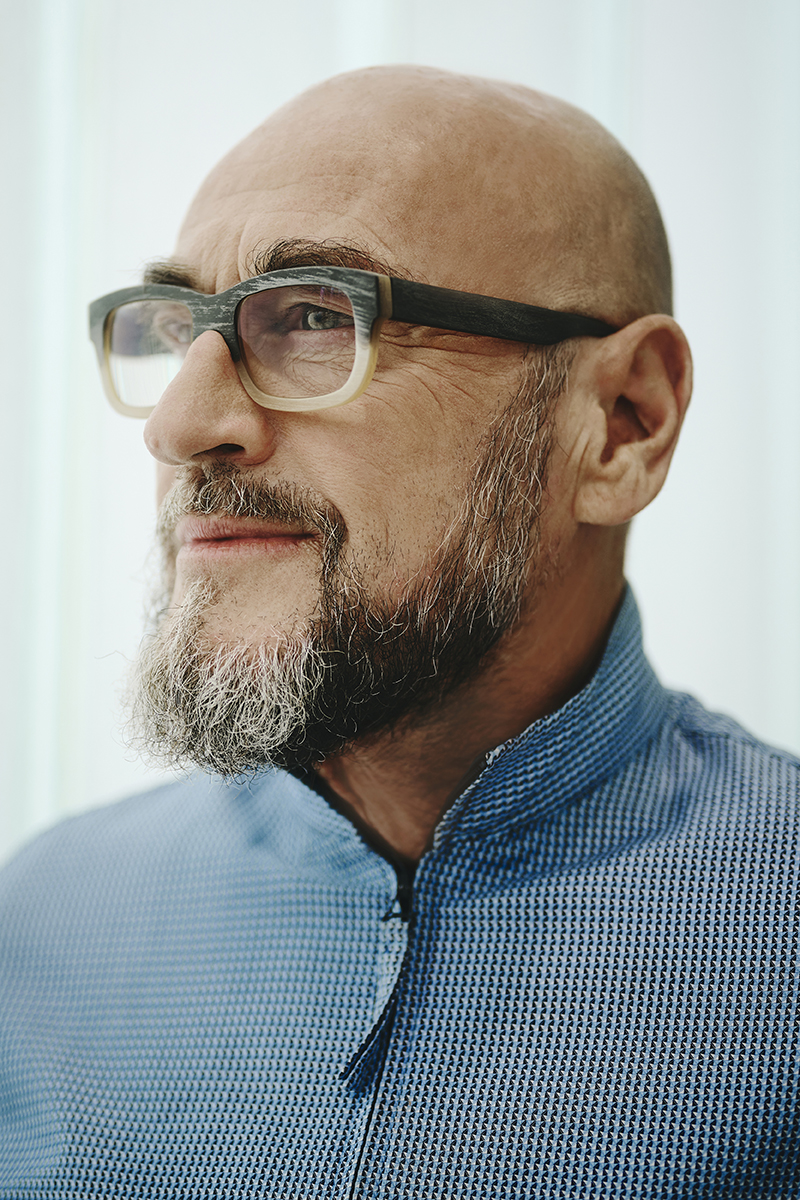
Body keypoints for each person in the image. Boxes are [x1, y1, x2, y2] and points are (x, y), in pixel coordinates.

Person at [1, 64, 798, 1199]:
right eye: (178, 330)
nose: (179, 425)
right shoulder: (42, 919)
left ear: (623, 423)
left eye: (316, 318)